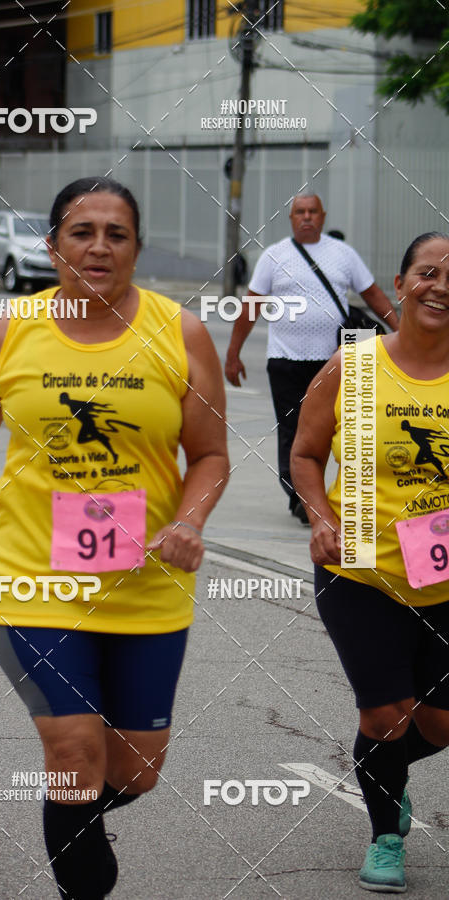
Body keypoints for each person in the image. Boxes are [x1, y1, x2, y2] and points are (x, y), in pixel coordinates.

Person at [0, 176, 229, 899]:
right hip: (34, 579)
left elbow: (210, 453)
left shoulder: (179, 331)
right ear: (53, 244)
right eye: (81, 231)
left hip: (147, 588)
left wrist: (189, 520)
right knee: (74, 752)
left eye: (115, 234)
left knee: (136, 771)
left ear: (136, 248)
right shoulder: (5, 334)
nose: (98, 246)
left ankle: (80, 816)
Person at [291, 232, 449, 892]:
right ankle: (387, 831)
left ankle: (383, 770)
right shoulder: (351, 369)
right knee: (386, 715)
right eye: (428, 271)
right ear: (402, 280)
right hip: (361, 572)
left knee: (438, 722)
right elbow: (304, 454)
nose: (440, 284)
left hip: (444, 579)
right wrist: (321, 516)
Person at [225, 193, 399, 524]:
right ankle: (300, 498)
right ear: (291, 219)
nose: (306, 217)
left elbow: (373, 295)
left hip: (336, 361)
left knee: (347, 429)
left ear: (322, 216)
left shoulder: (343, 254)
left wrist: (400, 330)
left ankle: (348, 493)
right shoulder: (273, 256)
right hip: (286, 361)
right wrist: (234, 354)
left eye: (312, 212)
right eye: (300, 212)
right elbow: (250, 308)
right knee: (292, 430)